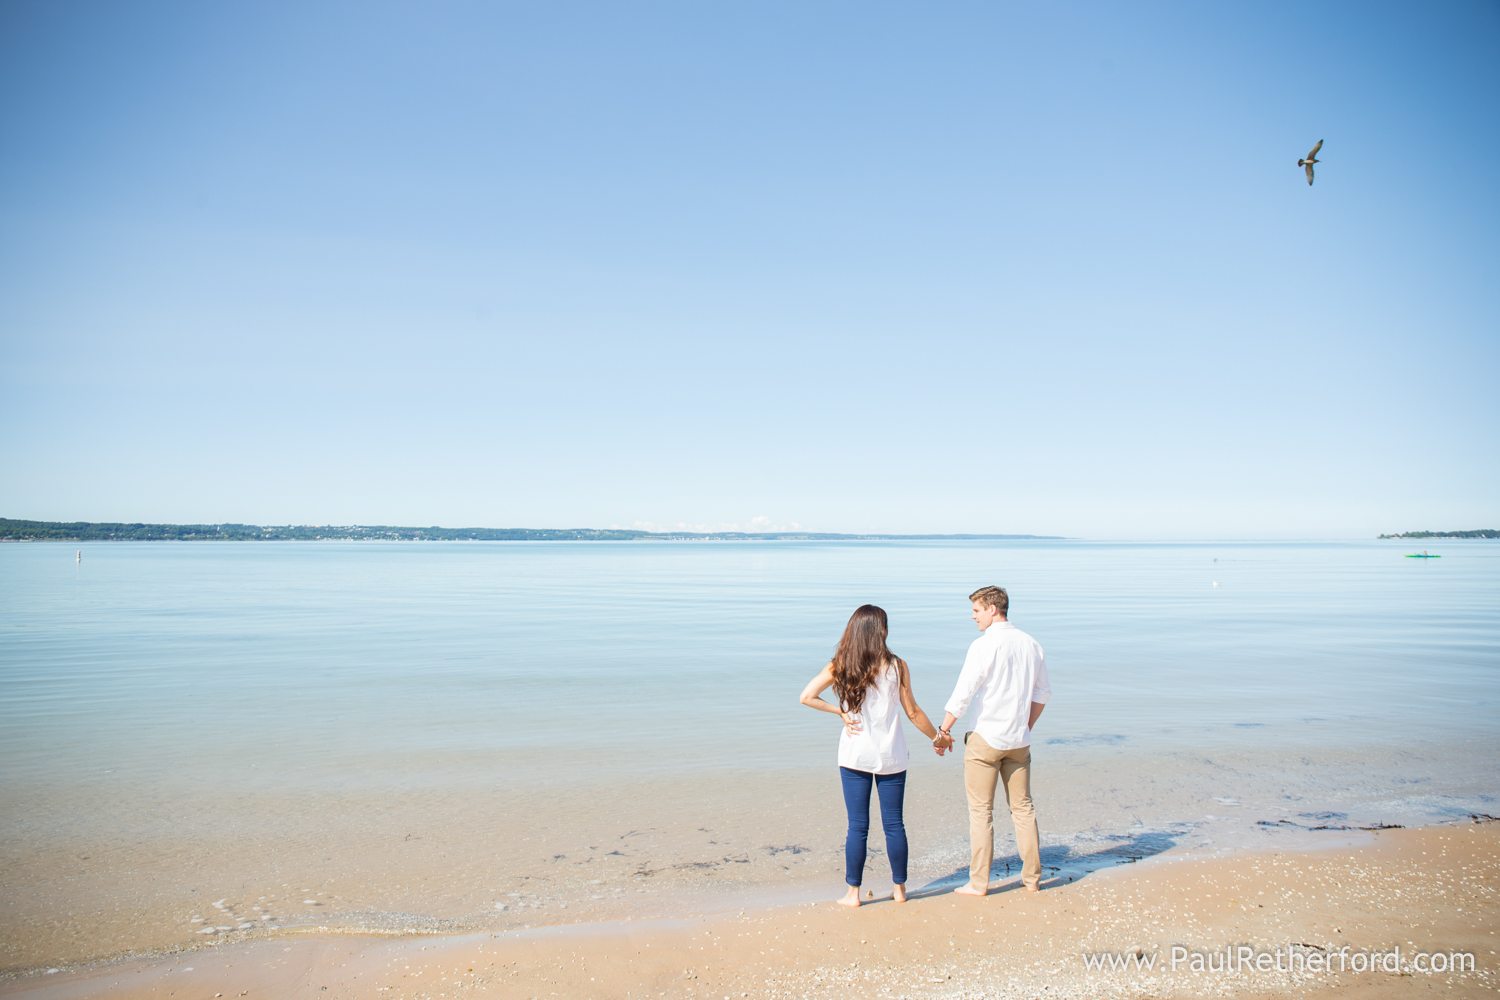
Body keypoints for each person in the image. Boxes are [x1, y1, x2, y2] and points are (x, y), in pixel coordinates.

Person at [800, 604, 951, 907]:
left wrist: (839, 712)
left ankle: (853, 894)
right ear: (881, 631)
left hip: (854, 755)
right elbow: (913, 712)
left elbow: (806, 696)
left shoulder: (840, 665)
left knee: (857, 826)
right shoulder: (897, 666)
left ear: (853, 630)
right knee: (894, 824)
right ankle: (900, 891)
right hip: (891, 754)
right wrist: (938, 737)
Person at [937, 585, 1052, 896]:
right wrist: (1025, 726)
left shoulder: (983, 645)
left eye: (976, 610)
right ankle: (1032, 880)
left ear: (992, 609)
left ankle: (979, 882)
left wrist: (944, 730)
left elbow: (964, 692)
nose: (972, 617)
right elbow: (1042, 695)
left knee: (981, 812)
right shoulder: (1032, 644)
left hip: (986, 739)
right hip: (1018, 740)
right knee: (1023, 808)